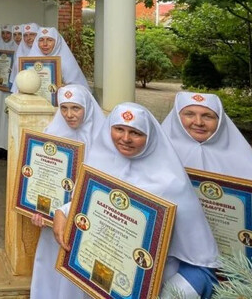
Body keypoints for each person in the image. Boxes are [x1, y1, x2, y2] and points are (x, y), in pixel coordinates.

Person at [52, 103, 220, 299]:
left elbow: (200, 264)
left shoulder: (171, 184)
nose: (125, 138)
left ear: (150, 137)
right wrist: (63, 211)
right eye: (119, 129)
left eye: (136, 133)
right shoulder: (99, 164)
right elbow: (90, 204)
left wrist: (170, 294)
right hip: (96, 278)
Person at [161, 91, 252, 254]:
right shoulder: (160, 154)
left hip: (232, 249)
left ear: (221, 120)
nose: (198, 122)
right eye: (189, 114)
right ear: (176, 117)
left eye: (208, 116)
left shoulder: (244, 159)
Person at [29, 85, 105, 299]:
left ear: (87, 107)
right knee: (50, 265)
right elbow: (40, 177)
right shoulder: (52, 133)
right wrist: (37, 208)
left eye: (76, 108)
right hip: (54, 219)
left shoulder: (104, 140)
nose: (69, 115)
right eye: (64, 108)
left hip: (86, 219)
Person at [19, 27, 89, 91]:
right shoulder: (29, 60)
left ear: (57, 42)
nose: (45, 44)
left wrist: (64, 87)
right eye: (41, 40)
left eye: (50, 40)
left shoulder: (67, 62)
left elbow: (79, 89)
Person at [0, 24, 17, 157]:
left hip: (9, 90)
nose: (5, 36)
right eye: (3, 33)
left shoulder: (17, 49)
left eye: (8, 33)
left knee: (7, 117)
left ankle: (7, 147)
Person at [8, 22, 39, 92]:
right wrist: (11, 81)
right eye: (25, 35)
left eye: (32, 34)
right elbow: (15, 71)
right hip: (19, 90)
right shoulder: (20, 51)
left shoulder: (45, 52)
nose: (28, 38)